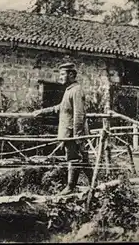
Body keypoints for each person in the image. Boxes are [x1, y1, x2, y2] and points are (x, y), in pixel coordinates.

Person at [33, 62, 93, 195]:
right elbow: (60, 108)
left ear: (71, 74)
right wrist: (42, 111)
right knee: (82, 159)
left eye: (62, 74)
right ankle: (95, 184)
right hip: (70, 132)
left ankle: (70, 187)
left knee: (74, 158)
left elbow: (79, 114)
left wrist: (78, 136)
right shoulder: (69, 90)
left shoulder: (77, 90)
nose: (59, 77)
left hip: (72, 133)